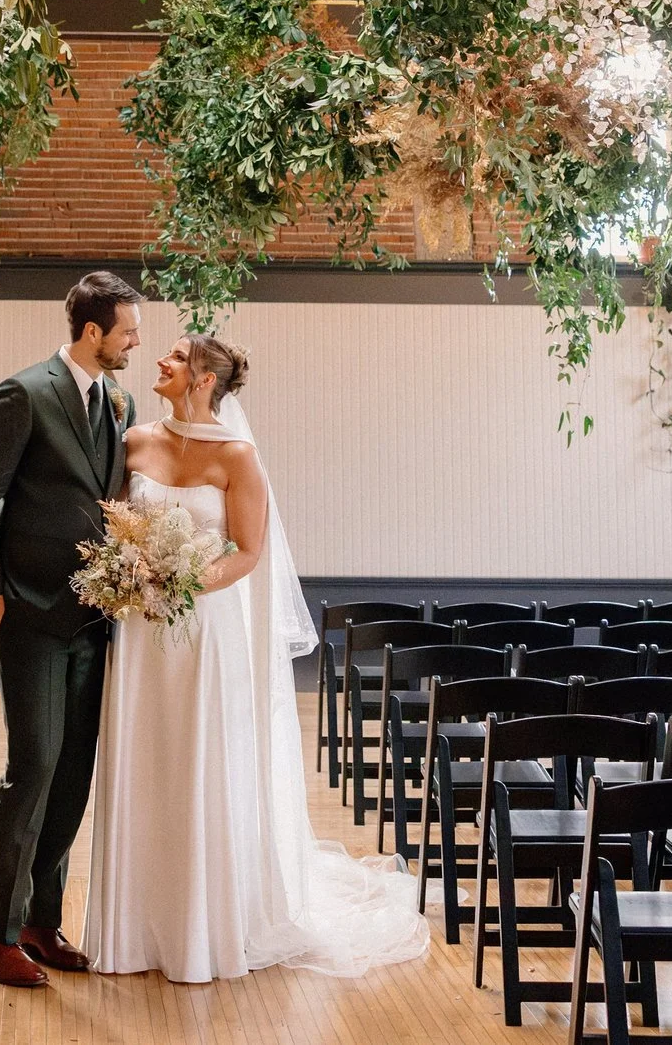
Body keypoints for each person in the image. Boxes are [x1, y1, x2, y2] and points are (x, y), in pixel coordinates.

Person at [83, 333, 429, 983]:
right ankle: (130, 933)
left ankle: (204, 931)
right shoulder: (134, 441)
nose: (162, 360)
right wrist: (128, 578)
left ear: (205, 377)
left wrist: (179, 586)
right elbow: (112, 523)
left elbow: (246, 551)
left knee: (199, 762)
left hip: (205, 632)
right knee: (143, 758)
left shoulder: (238, 457)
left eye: (177, 357)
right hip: (139, 640)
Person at [0, 270, 143, 986]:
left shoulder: (118, 402)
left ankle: (40, 922)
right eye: (128, 330)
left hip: (95, 620)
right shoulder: (22, 394)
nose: (135, 341)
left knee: (71, 775)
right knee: (30, 768)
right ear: (92, 332)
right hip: (30, 614)